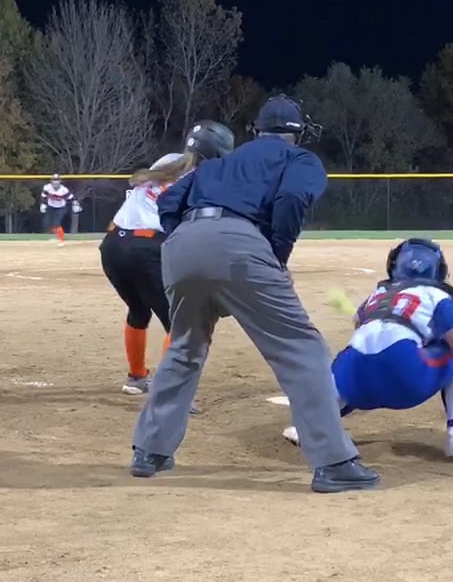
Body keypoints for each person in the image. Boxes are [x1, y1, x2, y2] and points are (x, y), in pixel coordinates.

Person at [130, 94, 380, 494]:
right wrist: (275, 255)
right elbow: (293, 198)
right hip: (239, 244)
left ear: (257, 130)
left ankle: (150, 451)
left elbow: (171, 200)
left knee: (184, 347)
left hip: (182, 246)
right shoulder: (299, 159)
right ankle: (334, 462)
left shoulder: (219, 163)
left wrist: (188, 238)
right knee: (303, 349)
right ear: (298, 132)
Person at [283, 238, 453, 459]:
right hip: (404, 379)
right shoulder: (438, 296)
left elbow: (359, 322)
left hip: (355, 386)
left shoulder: (379, 294)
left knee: (351, 355)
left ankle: (313, 425)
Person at [103, 120, 233, 395]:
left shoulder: (169, 160)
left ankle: (137, 377)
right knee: (181, 325)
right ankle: (168, 393)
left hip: (112, 246)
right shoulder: (205, 180)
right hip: (145, 250)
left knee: (138, 311)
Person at [40, 175, 77, 246]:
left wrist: (75, 204)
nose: (55, 182)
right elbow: (44, 196)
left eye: (57, 180)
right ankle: (55, 235)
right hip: (50, 206)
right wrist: (43, 204)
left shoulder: (64, 190)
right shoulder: (47, 187)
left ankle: (61, 239)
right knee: (46, 223)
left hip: (61, 207)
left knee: (56, 223)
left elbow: (71, 198)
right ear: (51, 181)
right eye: (54, 180)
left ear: (60, 181)